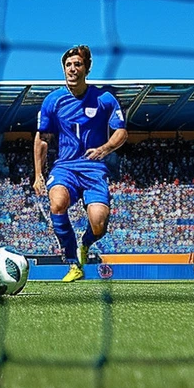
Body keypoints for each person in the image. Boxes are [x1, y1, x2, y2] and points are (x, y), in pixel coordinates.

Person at [33, 45, 127, 282]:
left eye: (77, 64)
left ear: (87, 68)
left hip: (94, 169)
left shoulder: (104, 99)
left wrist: (105, 149)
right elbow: (43, 139)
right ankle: (73, 263)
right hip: (65, 167)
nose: (72, 69)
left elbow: (121, 132)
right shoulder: (52, 101)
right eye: (68, 65)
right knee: (57, 203)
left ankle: (84, 244)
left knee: (99, 225)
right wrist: (38, 174)